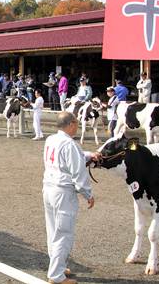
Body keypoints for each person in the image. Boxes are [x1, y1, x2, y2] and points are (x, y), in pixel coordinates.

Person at [43, 112, 98, 284]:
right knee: (64, 233)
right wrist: (88, 193)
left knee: (53, 230)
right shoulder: (70, 144)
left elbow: (72, 158)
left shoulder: (51, 139)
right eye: (77, 123)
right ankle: (56, 276)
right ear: (72, 123)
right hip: (63, 192)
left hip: (49, 188)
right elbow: (78, 171)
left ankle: (57, 267)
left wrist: (88, 155)